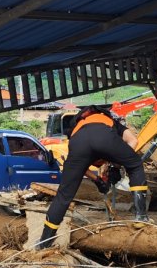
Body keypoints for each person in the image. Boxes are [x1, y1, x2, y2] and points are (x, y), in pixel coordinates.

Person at [37, 105, 150, 249]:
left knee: (63, 195)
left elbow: (81, 167)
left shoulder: (76, 131)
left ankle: (44, 242)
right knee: (135, 165)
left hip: (79, 145)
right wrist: (117, 164)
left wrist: (97, 180)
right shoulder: (109, 121)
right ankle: (141, 216)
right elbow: (133, 140)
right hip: (105, 138)